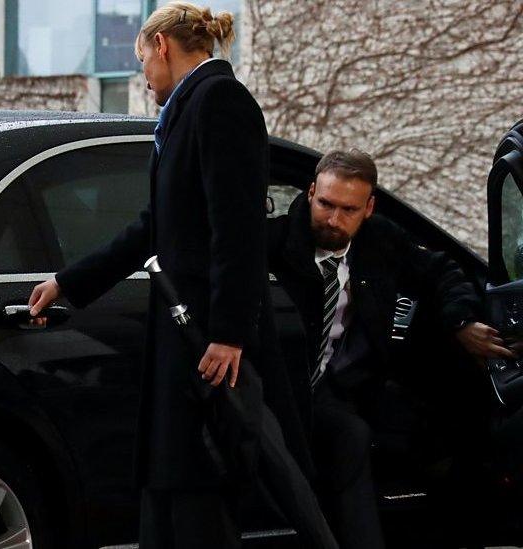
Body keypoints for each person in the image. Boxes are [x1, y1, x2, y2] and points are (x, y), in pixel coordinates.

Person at [27, 3, 309, 546]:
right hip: (184, 334)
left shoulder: (220, 102)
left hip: (205, 338)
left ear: (162, 47)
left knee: (197, 486)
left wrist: (229, 333)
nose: (144, 79)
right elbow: (156, 226)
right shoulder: (189, 108)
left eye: (142, 64)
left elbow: (238, 229)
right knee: (171, 486)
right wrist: (70, 281)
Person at [266, 148, 514, 549]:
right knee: (347, 437)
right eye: (325, 204)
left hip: (341, 391)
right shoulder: (274, 243)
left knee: (435, 434)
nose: (333, 219)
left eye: (348, 209)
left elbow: (443, 271)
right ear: (310, 192)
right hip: (281, 392)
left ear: (368, 208)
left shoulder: (379, 241)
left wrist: (461, 322)